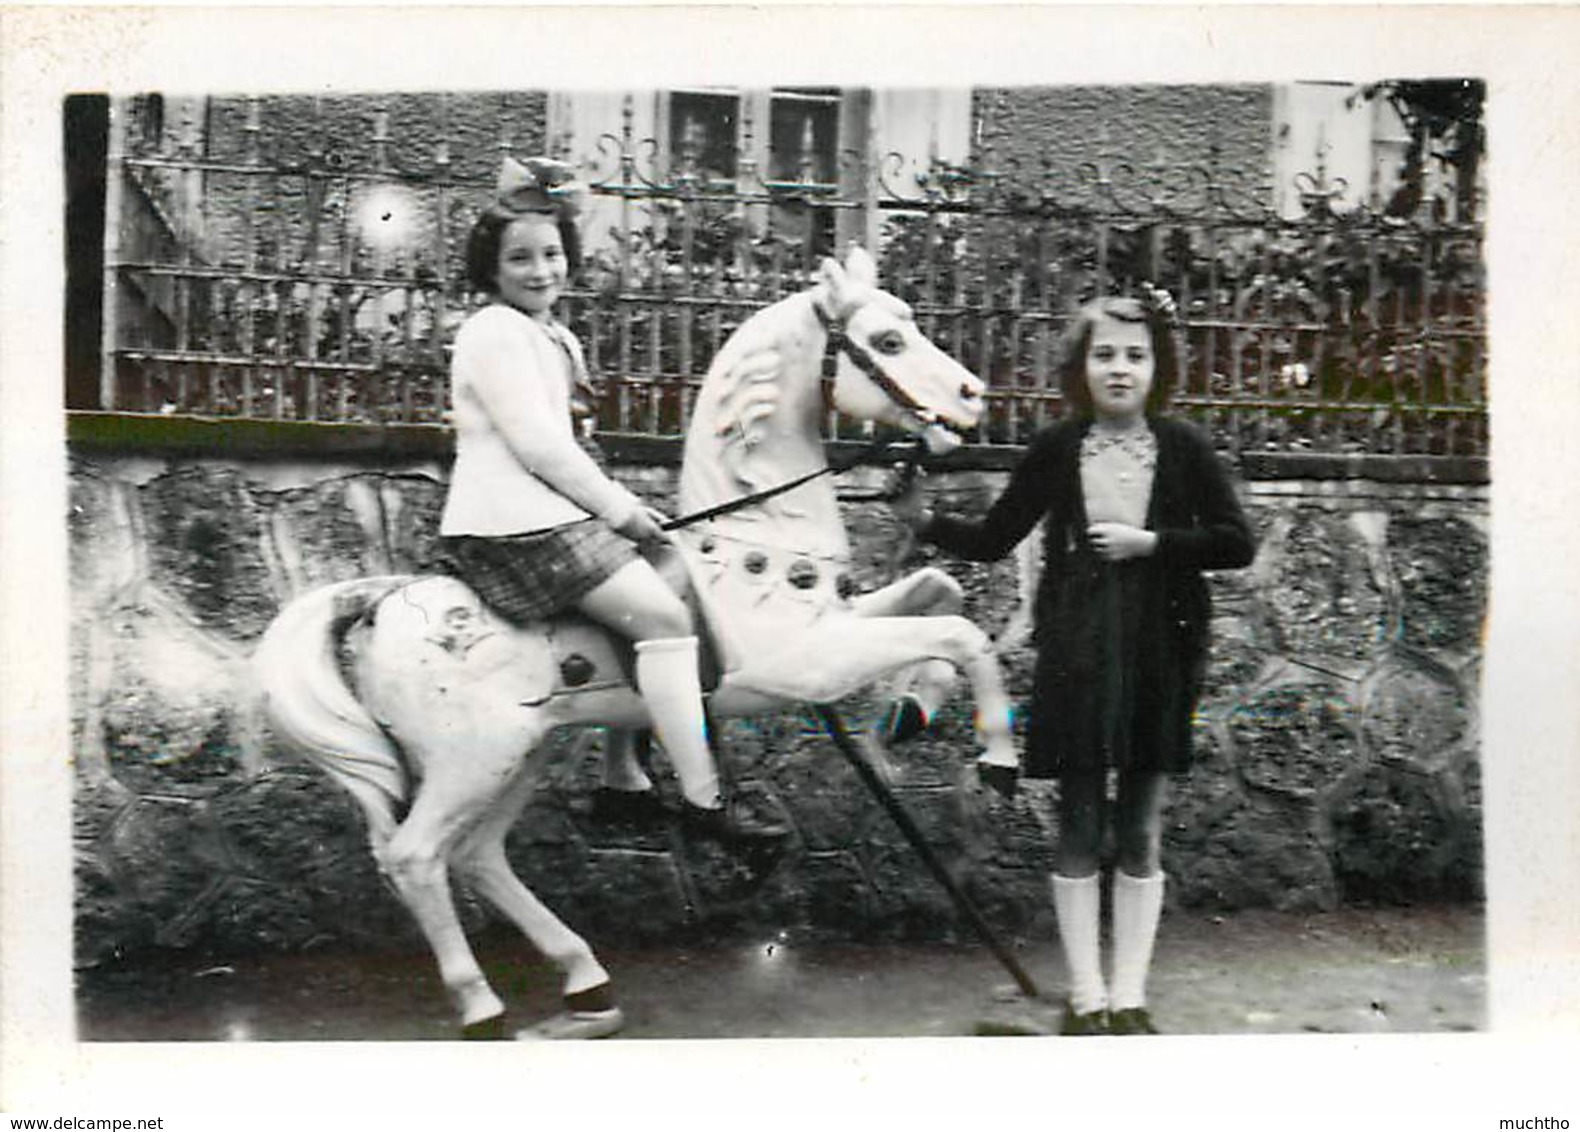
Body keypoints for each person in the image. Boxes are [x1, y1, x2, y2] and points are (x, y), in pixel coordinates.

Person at [890, 289, 1256, 1034]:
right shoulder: (1058, 449)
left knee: (1143, 826)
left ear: (1158, 366)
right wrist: (924, 521)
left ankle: (1130, 997)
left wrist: (1152, 544)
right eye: (1104, 355)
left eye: (1135, 355)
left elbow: (1236, 543)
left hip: (1161, 653)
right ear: (1081, 367)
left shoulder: (1182, 447)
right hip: (1079, 656)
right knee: (1081, 819)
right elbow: (997, 536)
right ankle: (1087, 998)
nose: (1120, 370)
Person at [439, 155, 783, 843]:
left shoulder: (552, 334)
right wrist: (621, 511)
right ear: (492, 270)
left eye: (552, 254)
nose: (541, 271)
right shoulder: (492, 332)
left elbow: (576, 445)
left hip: (553, 518)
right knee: (659, 616)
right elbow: (540, 447)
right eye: (520, 260)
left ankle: (623, 776)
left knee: (675, 572)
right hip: (511, 528)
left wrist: (632, 520)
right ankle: (705, 802)